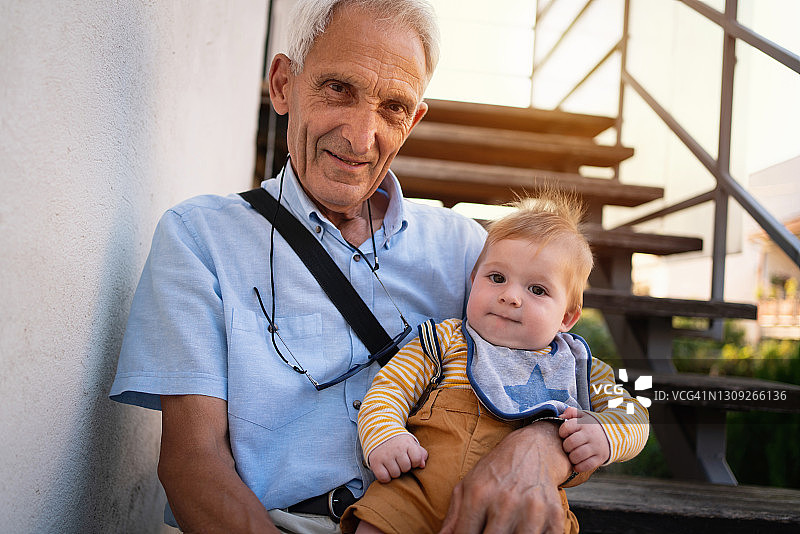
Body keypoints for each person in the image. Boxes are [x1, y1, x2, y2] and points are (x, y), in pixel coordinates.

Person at [110, 0, 600, 532]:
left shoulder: (467, 251)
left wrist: (537, 448)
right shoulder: (200, 236)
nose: (361, 137)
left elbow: (565, 380)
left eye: (393, 107)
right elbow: (192, 461)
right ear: (283, 85)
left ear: (412, 122)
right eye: (338, 88)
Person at [340, 194, 650, 534]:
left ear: (567, 317)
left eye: (537, 289)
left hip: (519, 513)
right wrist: (385, 435)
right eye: (497, 278)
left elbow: (633, 413)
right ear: (473, 280)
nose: (510, 296)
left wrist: (606, 433)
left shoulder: (578, 367)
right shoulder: (444, 341)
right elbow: (389, 390)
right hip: (415, 491)